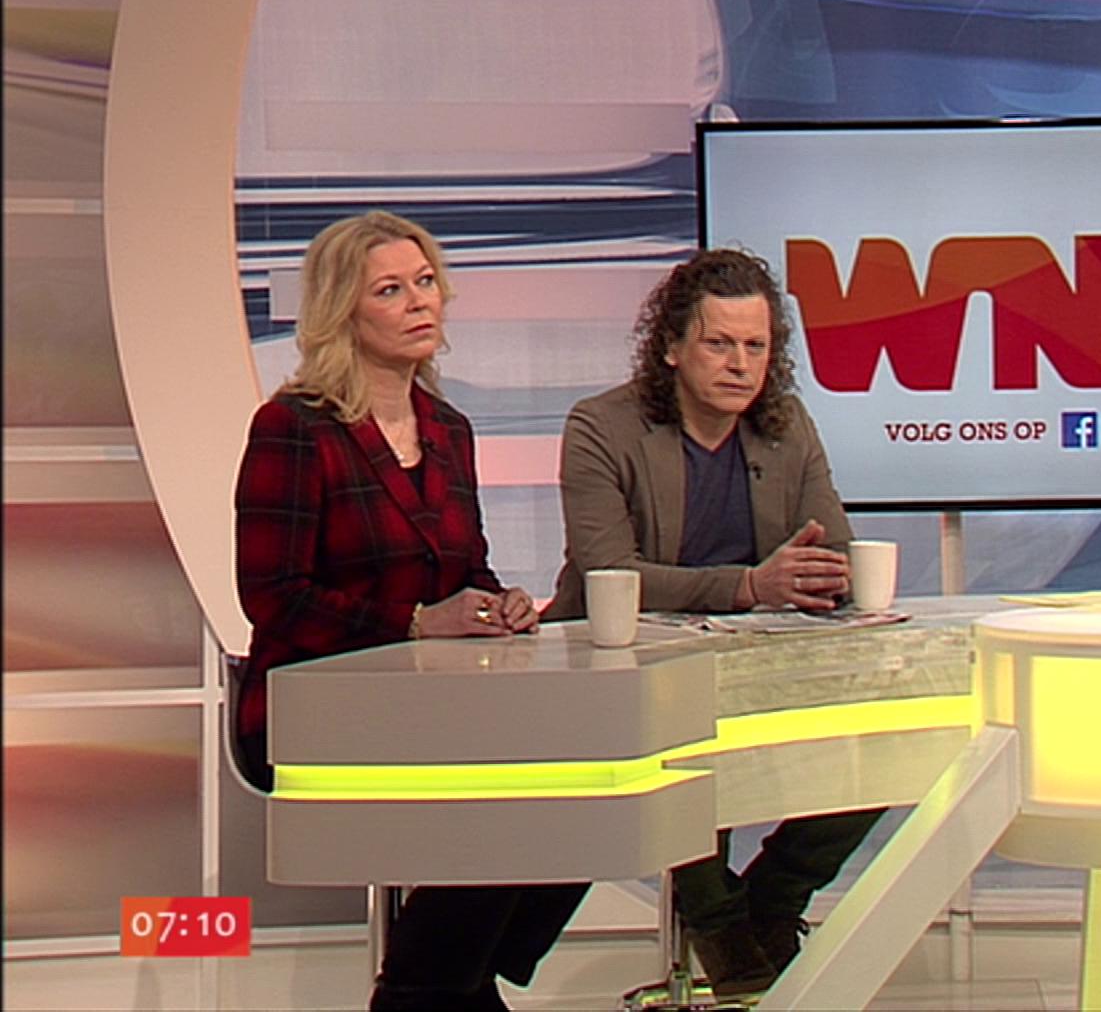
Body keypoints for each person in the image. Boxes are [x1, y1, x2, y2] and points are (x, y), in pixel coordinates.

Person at [234, 211, 589, 1010]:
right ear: (342, 312)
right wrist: (418, 623)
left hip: (436, 704)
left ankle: (449, 982)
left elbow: (465, 568)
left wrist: (500, 602)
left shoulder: (449, 429)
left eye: (425, 282)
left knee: (593, 773)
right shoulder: (294, 428)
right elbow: (272, 596)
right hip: (315, 707)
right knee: (513, 800)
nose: (420, 301)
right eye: (390, 290)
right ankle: (431, 989)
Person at [543, 247, 881, 998]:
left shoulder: (786, 426)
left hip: (754, 670)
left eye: (755, 346)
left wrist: (827, 574)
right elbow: (609, 573)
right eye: (719, 343)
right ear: (671, 346)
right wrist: (751, 585)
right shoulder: (602, 426)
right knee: (680, 746)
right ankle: (724, 932)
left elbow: (833, 545)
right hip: (627, 679)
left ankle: (771, 902)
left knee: (890, 734)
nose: (740, 364)